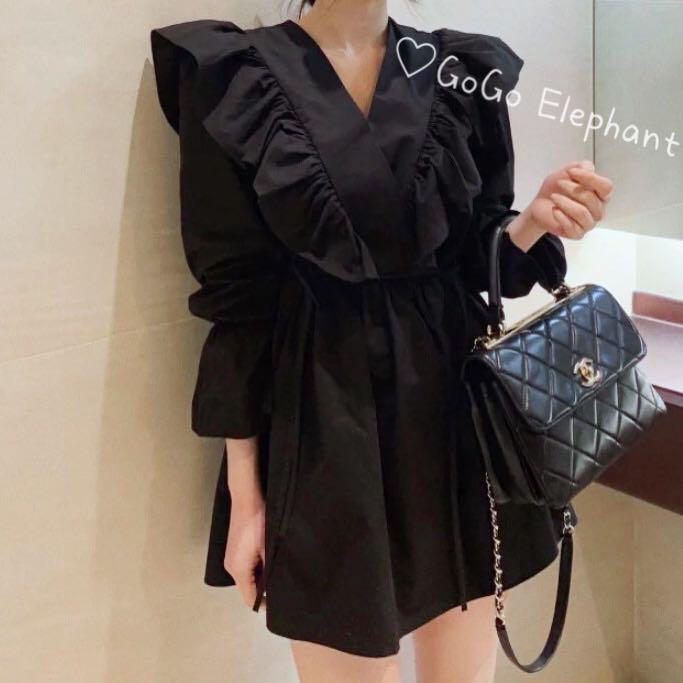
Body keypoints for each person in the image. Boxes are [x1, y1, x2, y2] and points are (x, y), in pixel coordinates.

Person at [150, 1, 613, 680]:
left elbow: (475, 262)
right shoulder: (235, 77)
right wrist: (247, 500)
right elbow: (237, 301)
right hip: (325, 430)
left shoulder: (457, 70)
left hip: (456, 428)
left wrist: (533, 222)